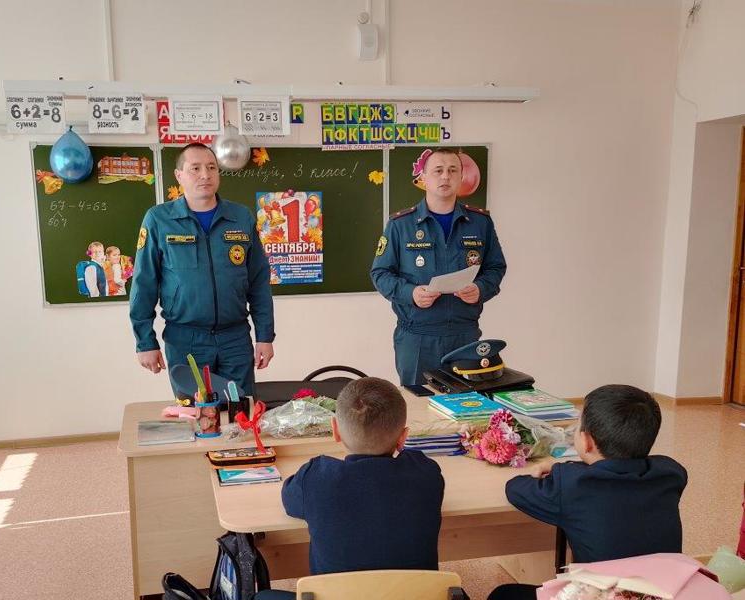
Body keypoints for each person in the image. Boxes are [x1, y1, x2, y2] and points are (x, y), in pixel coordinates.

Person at [488, 384, 688, 600]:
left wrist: (559, 470)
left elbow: (514, 489)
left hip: (603, 595)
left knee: (503, 594)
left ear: (587, 441)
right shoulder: (671, 473)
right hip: (663, 593)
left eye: (578, 425)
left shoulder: (573, 485)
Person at [255, 377, 445, 600]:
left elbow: (289, 501)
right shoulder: (426, 474)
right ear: (403, 437)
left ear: (335, 430)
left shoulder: (316, 478)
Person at [129, 143, 275, 396]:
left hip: (235, 339)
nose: (205, 175)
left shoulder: (241, 217)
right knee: (195, 414)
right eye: (195, 168)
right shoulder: (159, 220)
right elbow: (144, 284)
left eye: (211, 168)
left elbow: (258, 282)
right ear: (179, 175)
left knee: (240, 412)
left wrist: (265, 336)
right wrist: (145, 342)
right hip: (185, 340)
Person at [371, 148, 506, 386]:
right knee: (419, 403)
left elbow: (496, 267)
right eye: (438, 170)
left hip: (464, 335)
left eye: (452, 170)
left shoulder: (480, 222)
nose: (445, 176)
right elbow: (380, 273)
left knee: (467, 403)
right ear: (423, 177)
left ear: (461, 177)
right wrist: (411, 293)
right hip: (417, 337)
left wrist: (480, 289)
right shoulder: (400, 225)